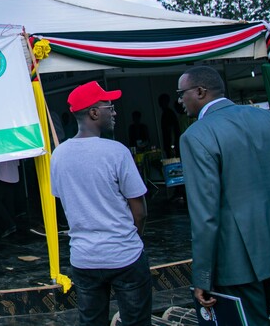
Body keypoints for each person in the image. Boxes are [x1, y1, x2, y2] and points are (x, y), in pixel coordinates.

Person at [176, 66, 270, 325]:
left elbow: (205, 214)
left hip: (237, 260)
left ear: (200, 92)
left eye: (182, 94)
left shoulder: (196, 135)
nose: (180, 101)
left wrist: (202, 277)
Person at [51, 81, 151, 325]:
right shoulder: (116, 152)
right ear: (93, 113)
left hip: (84, 259)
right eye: (110, 106)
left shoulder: (58, 155)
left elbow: (66, 204)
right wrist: (130, 241)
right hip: (125, 256)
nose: (114, 112)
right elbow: (140, 211)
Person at [158, 93, 181, 158]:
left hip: (172, 144)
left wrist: (172, 145)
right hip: (170, 143)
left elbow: (172, 129)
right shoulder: (166, 113)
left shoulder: (168, 113)